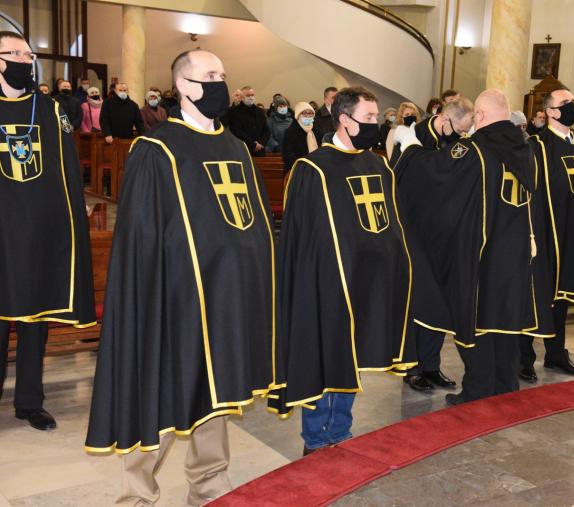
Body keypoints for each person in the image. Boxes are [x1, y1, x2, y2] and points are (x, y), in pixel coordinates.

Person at [85, 49, 275, 506]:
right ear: (185, 86)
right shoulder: (157, 148)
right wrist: (159, 291)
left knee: (217, 389)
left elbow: (252, 223)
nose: (221, 83)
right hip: (176, 295)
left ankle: (209, 484)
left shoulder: (235, 147)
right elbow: (141, 234)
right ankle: (136, 496)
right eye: (210, 75)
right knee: (164, 390)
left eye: (223, 74)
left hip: (225, 292)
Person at [268, 86, 415, 455]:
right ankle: (316, 439)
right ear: (345, 120)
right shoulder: (312, 169)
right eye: (369, 118)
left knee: (353, 354)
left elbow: (389, 225)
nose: (376, 124)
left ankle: (341, 429)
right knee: (323, 355)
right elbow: (301, 237)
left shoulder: (378, 165)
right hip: (325, 283)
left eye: (377, 117)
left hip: (365, 279)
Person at [392, 89, 554, 404]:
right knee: (505, 324)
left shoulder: (476, 150)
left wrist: (410, 145)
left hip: (484, 253)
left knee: (479, 322)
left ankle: (478, 390)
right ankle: (504, 386)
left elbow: (436, 173)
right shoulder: (526, 148)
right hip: (517, 252)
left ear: (479, 116)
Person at [0, 31, 95, 431]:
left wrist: (71, 217)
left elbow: (68, 168)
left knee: (34, 319)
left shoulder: (50, 108)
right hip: (3, 230)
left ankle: (29, 402)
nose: (26, 60)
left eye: (29, 54)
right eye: (17, 53)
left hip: (38, 232)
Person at [519, 86, 574, 382]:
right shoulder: (537, 145)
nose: (571, 106)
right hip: (545, 235)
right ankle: (523, 358)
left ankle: (556, 354)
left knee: (562, 297)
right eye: (565, 102)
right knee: (537, 295)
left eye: (573, 100)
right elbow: (530, 194)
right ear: (550, 111)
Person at [389, 98, 474, 392]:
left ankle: (431, 366)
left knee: (439, 302)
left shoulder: (455, 143)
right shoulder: (414, 139)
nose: (462, 136)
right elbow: (398, 180)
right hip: (414, 233)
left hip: (443, 236)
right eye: (460, 130)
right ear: (445, 119)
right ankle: (412, 368)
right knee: (418, 303)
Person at [227, 85, 270, 156]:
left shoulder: (260, 111)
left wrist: (261, 143)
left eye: (252, 95)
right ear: (241, 97)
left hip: (260, 150)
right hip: (243, 150)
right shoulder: (235, 111)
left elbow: (266, 131)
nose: (251, 97)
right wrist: (253, 145)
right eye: (248, 95)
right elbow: (237, 132)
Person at [281, 101, 318, 175]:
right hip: (297, 171)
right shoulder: (290, 132)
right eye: (304, 113)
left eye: (310, 113)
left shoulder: (316, 130)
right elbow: (288, 155)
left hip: (315, 169)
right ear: (297, 115)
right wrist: (304, 167)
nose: (307, 116)